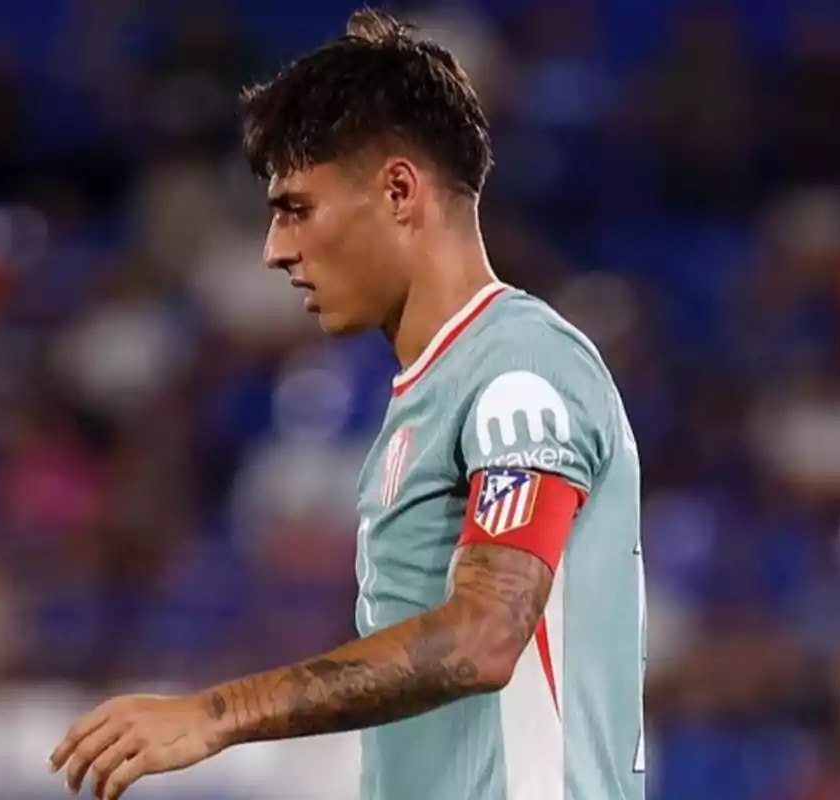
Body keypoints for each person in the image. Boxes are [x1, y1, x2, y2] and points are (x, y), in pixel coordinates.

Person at [49, 10, 645, 800]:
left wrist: (217, 714)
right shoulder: (434, 393)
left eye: (296, 208)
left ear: (399, 190)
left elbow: (485, 635)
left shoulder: (520, 373)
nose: (275, 249)